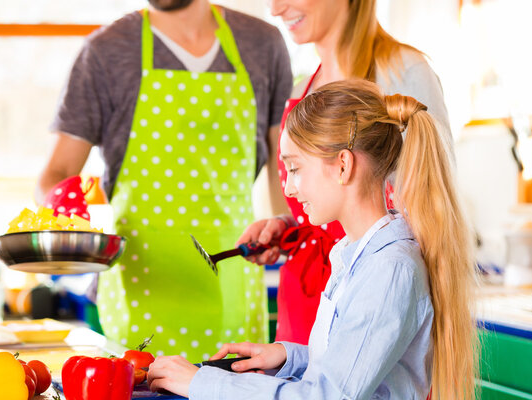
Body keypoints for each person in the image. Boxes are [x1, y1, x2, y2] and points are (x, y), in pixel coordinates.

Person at [146, 80, 478, 400]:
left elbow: (328, 395)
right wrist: (288, 356)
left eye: (295, 169)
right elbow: (357, 364)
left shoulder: (390, 270)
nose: (289, 189)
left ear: (343, 166)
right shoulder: (354, 255)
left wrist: (202, 384)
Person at [35, 0, 293, 360]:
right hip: (138, 299)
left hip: (234, 288)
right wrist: (64, 222)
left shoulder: (263, 44)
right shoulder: (105, 52)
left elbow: (287, 166)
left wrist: (288, 230)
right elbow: (58, 173)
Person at [237, 0, 455, 345]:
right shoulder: (301, 90)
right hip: (304, 301)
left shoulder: (404, 73)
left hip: (372, 303)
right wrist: (290, 225)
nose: (276, 9)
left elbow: (430, 208)